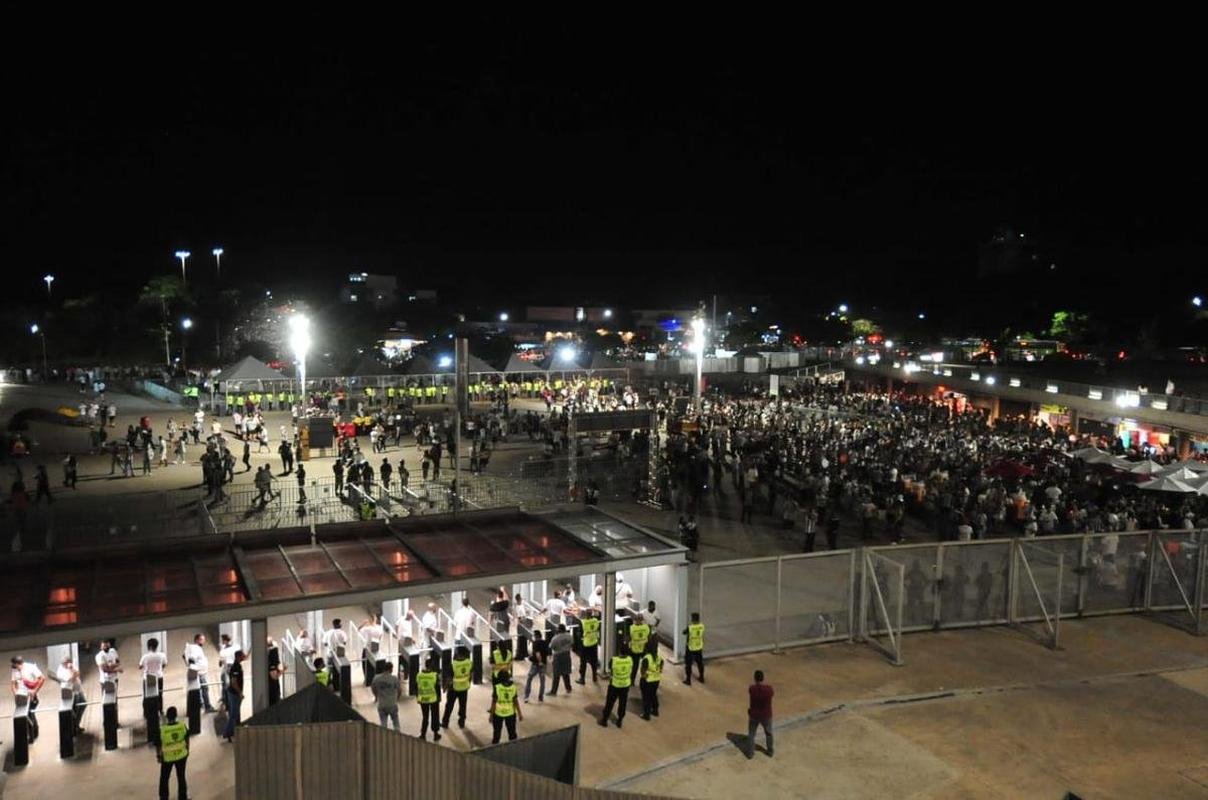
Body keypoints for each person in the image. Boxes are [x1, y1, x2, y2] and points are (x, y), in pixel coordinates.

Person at [158, 706, 190, 800]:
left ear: (167, 717)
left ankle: (164, 797)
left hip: (167, 758)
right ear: (176, 716)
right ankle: (183, 797)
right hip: (181, 755)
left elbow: (159, 744)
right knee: (181, 777)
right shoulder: (181, 726)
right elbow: (187, 738)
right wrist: (187, 750)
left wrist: (159, 756)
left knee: (164, 778)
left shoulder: (163, 730)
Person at [10, 655, 44, 742]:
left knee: (29, 714)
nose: (14, 668)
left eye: (15, 666)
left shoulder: (31, 667)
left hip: (31, 696)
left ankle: (34, 734)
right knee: (24, 715)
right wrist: (15, 694)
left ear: (19, 664)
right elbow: (13, 683)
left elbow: (42, 678)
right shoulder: (14, 669)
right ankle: (30, 733)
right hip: (21, 697)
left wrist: (35, 691)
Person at [599, 646, 633, 728]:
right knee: (623, 703)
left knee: (610, 702)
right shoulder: (630, 660)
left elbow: (610, 669)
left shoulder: (614, 660)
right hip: (625, 685)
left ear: (619, 651)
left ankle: (604, 720)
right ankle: (620, 720)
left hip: (615, 685)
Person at [442, 646, 472, 730]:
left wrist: (445, 688)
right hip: (464, 688)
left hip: (453, 689)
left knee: (449, 705)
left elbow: (449, 679)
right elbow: (470, 674)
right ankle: (462, 722)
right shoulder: (469, 662)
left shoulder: (453, 664)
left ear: (458, 654)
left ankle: (445, 722)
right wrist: (468, 683)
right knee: (463, 705)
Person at [184, 633, 215, 712]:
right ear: (197, 640)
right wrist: (193, 669)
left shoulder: (194, 648)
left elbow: (184, 656)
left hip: (199, 672)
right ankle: (207, 707)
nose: (203, 641)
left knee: (201, 689)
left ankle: (201, 704)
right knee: (204, 689)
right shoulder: (195, 648)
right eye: (202, 639)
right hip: (199, 673)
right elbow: (191, 659)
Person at [746, 670, 774, 759]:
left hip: (754, 715)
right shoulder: (769, 689)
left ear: (755, 678)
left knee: (751, 734)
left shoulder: (752, 689)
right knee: (769, 733)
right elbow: (772, 694)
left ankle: (750, 754)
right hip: (766, 715)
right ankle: (770, 751)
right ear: (763, 678)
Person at [56, 655, 86, 734]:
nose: (69, 664)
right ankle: (73, 728)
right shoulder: (60, 671)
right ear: (63, 664)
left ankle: (76, 724)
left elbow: (78, 673)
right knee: (74, 709)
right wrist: (71, 670)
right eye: (67, 663)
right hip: (70, 692)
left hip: (78, 690)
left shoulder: (72, 665)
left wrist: (72, 669)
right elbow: (72, 679)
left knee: (83, 704)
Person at [489, 671, 522, 743]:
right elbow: (516, 701)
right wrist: (520, 714)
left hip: (498, 714)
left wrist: (491, 715)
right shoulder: (513, 688)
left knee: (496, 734)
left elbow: (494, 703)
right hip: (510, 714)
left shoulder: (497, 688)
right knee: (512, 734)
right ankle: (513, 748)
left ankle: (495, 748)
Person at [370, 662, 402, 731]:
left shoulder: (376, 678)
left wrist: (376, 696)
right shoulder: (394, 679)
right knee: (396, 723)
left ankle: (384, 737)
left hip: (382, 704)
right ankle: (397, 737)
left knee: (383, 723)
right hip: (392, 704)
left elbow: (373, 688)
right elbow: (399, 690)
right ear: (391, 669)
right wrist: (397, 699)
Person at [416, 657, 442, 741]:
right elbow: (437, 688)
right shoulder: (435, 675)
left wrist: (418, 697)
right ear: (432, 666)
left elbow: (416, 687)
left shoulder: (419, 675)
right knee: (435, 716)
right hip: (433, 699)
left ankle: (423, 734)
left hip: (423, 699)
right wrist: (439, 698)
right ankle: (435, 734)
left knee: (425, 717)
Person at [141, 637, 168, 715]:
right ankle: (160, 710)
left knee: (147, 695)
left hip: (147, 678)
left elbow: (140, 666)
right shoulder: (162, 655)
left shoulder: (145, 656)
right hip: (159, 677)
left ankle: (146, 712)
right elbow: (164, 664)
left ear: (149, 646)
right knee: (159, 694)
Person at [222, 650, 245, 741]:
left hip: (234, 693)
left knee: (236, 713)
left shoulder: (237, 665)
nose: (244, 657)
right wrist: (240, 693)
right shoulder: (236, 667)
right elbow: (234, 682)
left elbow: (246, 656)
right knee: (233, 714)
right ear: (238, 657)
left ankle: (237, 731)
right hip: (234, 693)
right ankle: (227, 733)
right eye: (242, 656)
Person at [547, 624, 573, 696]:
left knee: (556, 674)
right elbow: (571, 644)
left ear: (559, 630)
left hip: (558, 656)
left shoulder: (555, 638)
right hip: (567, 655)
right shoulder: (569, 636)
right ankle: (568, 688)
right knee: (566, 672)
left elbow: (551, 647)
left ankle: (553, 691)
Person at [639, 645, 663, 720]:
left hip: (648, 681)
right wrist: (659, 671)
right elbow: (662, 664)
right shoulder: (658, 657)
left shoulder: (646, 658)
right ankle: (655, 710)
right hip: (656, 680)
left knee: (646, 697)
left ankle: (646, 714)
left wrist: (644, 676)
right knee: (653, 694)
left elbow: (643, 670)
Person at [576, 609, 600, 683]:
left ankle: (582, 679)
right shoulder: (596, 621)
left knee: (583, 662)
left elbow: (579, 634)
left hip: (585, 644)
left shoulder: (583, 622)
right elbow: (597, 629)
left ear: (586, 614)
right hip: (594, 643)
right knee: (594, 661)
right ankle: (594, 677)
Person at [523, 629, 547, 704]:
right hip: (544, 664)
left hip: (536, 664)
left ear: (536, 636)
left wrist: (539, 662)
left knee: (529, 679)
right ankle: (541, 697)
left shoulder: (535, 643)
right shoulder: (545, 642)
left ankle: (526, 697)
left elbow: (537, 654)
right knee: (542, 681)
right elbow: (548, 653)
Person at [683, 612, 705, 685]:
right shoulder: (702, 626)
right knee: (700, 663)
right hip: (699, 646)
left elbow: (684, 632)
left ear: (692, 619)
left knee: (688, 664)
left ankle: (688, 680)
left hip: (691, 647)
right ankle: (701, 677)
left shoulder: (690, 627)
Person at [267, 636, 284, 706]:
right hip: (273, 689)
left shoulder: (268, 658)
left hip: (272, 688)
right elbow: (274, 677)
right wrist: (283, 670)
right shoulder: (272, 661)